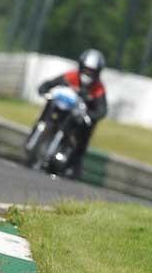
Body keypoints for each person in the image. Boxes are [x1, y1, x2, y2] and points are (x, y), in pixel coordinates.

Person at [37, 49, 108, 177]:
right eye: (86, 70)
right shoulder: (71, 76)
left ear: (97, 73)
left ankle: (74, 163)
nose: (88, 74)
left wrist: (91, 115)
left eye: (91, 71)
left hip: (79, 118)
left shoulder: (98, 88)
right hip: (63, 111)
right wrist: (43, 90)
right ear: (81, 67)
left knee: (87, 129)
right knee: (51, 103)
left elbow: (102, 110)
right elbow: (49, 84)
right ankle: (40, 129)